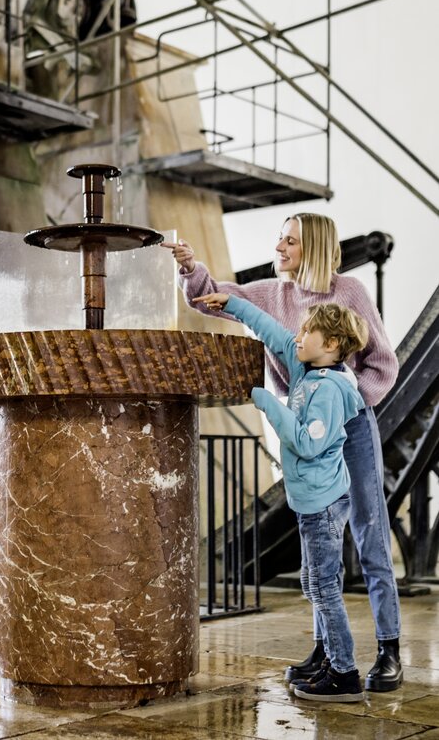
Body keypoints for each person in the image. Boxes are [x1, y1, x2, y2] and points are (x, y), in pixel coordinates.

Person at [162, 213, 403, 692]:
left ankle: (389, 650)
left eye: (289, 240)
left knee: (370, 531)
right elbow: (216, 298)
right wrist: (190, 268)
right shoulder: (273, 294)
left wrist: (350, 400)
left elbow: (384, 363)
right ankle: (326, 650)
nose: (280, 247)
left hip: (350, 425)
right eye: (280, 238)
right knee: (319, 547)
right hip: (307, 427)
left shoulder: (349, 291)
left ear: (312, 246)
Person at [191, 291, 368, 701]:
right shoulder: (306, 366)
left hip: (324, 504)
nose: (298, 336)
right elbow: (271, 331)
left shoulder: (329, 391)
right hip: (311, 502)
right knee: (313, 582)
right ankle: (327, 658)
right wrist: (231, 303)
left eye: (308, 331)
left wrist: (268, 401)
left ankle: (345, 673)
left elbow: (307, 443)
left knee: (323, 587)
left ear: (332, 345)